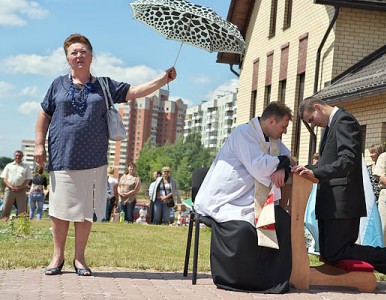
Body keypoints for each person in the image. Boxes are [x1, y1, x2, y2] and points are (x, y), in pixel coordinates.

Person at [34, 33, 176, 276]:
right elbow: (44, 114)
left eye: (83, 51)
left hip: (93, 160)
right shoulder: (57, 84)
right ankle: (57, 257)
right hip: (61, 155)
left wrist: (162, 80)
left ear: (91, 55)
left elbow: (134, 91)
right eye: (73, 52)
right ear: (67, 58)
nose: (79, 55)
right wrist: (39, 145)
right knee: (59, 210)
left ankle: (80, 259)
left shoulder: (104, 85)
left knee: (84, 209)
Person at [293, 96, 386, 288]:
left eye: (311, 119)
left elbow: (347, 160)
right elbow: (328, 163)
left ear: (317, 107)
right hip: (329, 201)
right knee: (327, 253)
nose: (313, 125)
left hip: (343, 201)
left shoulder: (344, 120)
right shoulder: (330, 125)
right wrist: (303, 168)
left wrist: (315, 172)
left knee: (338, 251)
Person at [194, 102, 297, 293]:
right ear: (272, 121)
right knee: (243, 231)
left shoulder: (273, 141)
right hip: (227, 199)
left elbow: (288, 158)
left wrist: (282, 166)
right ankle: (235, 281)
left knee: (282, 219)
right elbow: (259, 166)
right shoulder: (243, 133)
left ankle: (271, 281)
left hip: (250, 201)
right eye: (283, 126)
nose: (284, 132)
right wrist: (280, 163)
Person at [0, 150, 32, 220]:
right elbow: (4, 178)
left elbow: (28, 179)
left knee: (22, 207)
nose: (18, 157)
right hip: (9, 189)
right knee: (6, 205)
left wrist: (21, 187)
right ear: (14, 156)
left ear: (22, 157)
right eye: (16, 155)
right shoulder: (9, 166)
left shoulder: (26, 166)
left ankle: (22, 220)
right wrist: (10, 186)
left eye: (19, 156)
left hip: (21, 190)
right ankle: (4, 218)